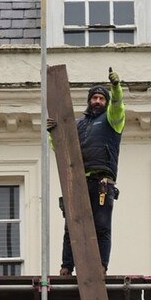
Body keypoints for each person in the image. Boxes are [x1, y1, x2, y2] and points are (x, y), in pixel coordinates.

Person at [59, 68, 125, 276]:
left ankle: (101, 266)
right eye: (94, 98)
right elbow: (60, 148)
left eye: (101, 98)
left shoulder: (112, 121)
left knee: (101, 226)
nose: (97, 101)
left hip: (102, 181)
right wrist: (53, 132)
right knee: (72, 226)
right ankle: (66, 266)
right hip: (79, 180)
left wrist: (115, 89)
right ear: (89, 101)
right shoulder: (78, 125)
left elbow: (117, 106)